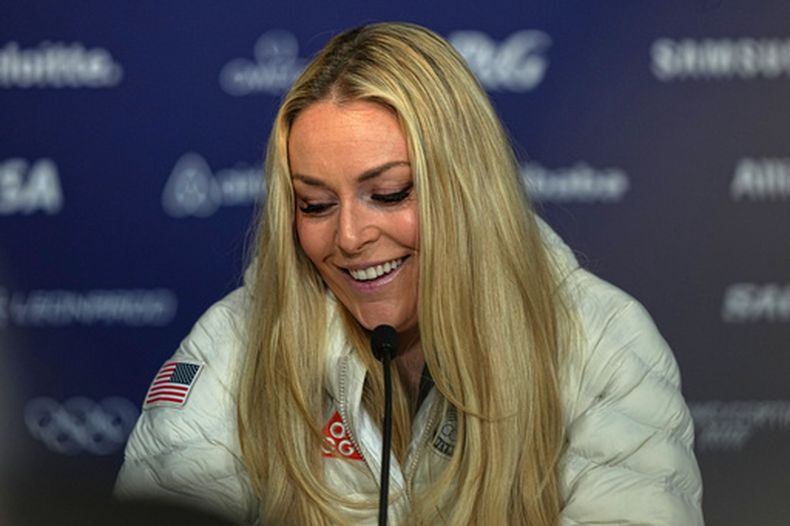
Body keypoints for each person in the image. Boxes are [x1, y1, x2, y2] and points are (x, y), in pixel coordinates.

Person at [115, 22, 703, 525]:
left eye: (390, 193)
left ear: (468, 191)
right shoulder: (238, 338)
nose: (349, 238)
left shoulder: (604, 343)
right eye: (315, 204)